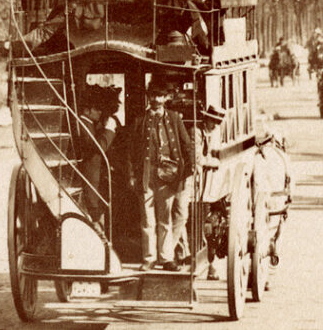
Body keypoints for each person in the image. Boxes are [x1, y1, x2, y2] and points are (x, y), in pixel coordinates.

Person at [128, 79, 194, 272]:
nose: (156, 99)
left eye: (159, 96)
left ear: (166, 98)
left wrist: (186, 171)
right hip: (146, 176)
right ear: (148, 98)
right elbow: (131, 151)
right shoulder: (140, 120)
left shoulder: (174, 118)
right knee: (147, 220)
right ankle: (149, 258)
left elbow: (186, 146)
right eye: (153, 96)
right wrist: (132, 174)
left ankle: (166, 258)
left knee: (165, 219)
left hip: (168, 176)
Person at [79, 84, 118, 226]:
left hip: (95, 180)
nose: (100, 112)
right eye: (97, 109)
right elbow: (99, 147)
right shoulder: (84, 125)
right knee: (95, 219)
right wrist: (109, 130)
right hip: (91, 180)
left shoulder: (89, 124)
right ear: (87, 110)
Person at [194, 105, 226, 280]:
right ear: (205, 119)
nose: (214, 125)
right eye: (212, 121)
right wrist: (213, 162)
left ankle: (210, 263)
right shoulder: (197, 133)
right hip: (197, 183)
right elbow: (197, 158)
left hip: (208, 185)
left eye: (216, 122)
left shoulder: (210, 134)